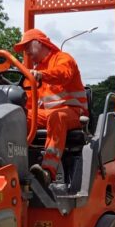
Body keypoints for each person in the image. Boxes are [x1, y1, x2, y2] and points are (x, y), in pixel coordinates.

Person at [13, 28, 88, 186]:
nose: (25, 52)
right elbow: (28, 101)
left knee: (57, 116)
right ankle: (15, 166)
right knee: (17, 115)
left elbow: (63, 75)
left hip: (74, 113)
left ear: (39, 43)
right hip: (48, 114)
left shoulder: (63, 59)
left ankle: (48, 171)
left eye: (27, 46)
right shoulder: (34, 72)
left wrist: (42, 75)